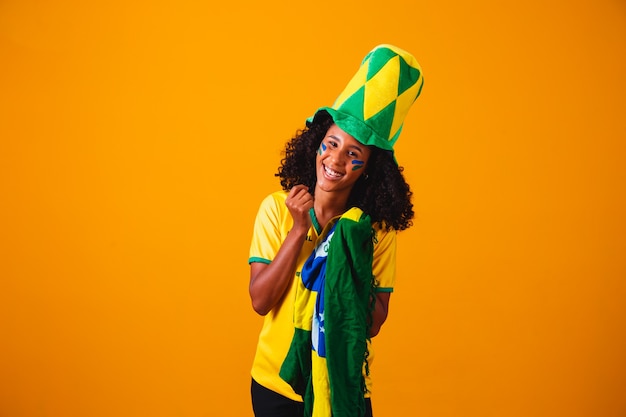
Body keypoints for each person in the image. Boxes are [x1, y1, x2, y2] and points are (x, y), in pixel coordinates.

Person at [248, 44, 424, 417]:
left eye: (354, 155)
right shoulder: (275, 210)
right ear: (316, 145)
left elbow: (373, 323)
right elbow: (260, 300)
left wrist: (350, 252)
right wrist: (298, 231)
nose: (336, 160)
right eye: (331, 144)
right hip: (276, 386)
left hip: (343, 383)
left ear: (367, 170)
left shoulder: (374, 231)